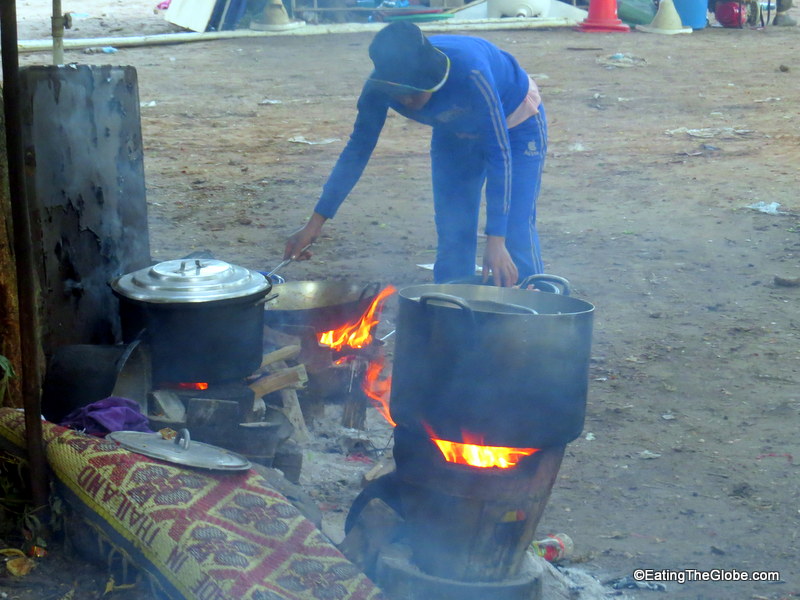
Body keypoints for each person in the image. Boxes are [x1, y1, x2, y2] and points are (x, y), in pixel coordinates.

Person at [283, 22, 547, 287]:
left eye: (413, 92)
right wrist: (315, 223)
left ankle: (536, 307)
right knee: (453, 226)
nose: (407, 102)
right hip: (452, 131)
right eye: (398, 94)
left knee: (515, 226)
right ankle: (452, 307)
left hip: (515, 126)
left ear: (431, 80)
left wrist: (496, 241)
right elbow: (356, 151)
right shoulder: (379, 88)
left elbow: (499, 153)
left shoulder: (471, 73)